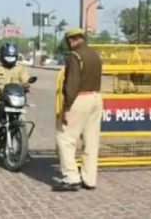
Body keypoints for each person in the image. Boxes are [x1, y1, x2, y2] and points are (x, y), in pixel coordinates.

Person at [55, 28, 103, 192]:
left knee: (65, 137)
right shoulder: (95, 55)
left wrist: (66, 107)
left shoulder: (75, 57)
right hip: (96, 97)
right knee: (91, 140)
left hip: (79, 98)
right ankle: (89, 179)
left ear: (72, 40)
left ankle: (71, 177)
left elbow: (72, 84)